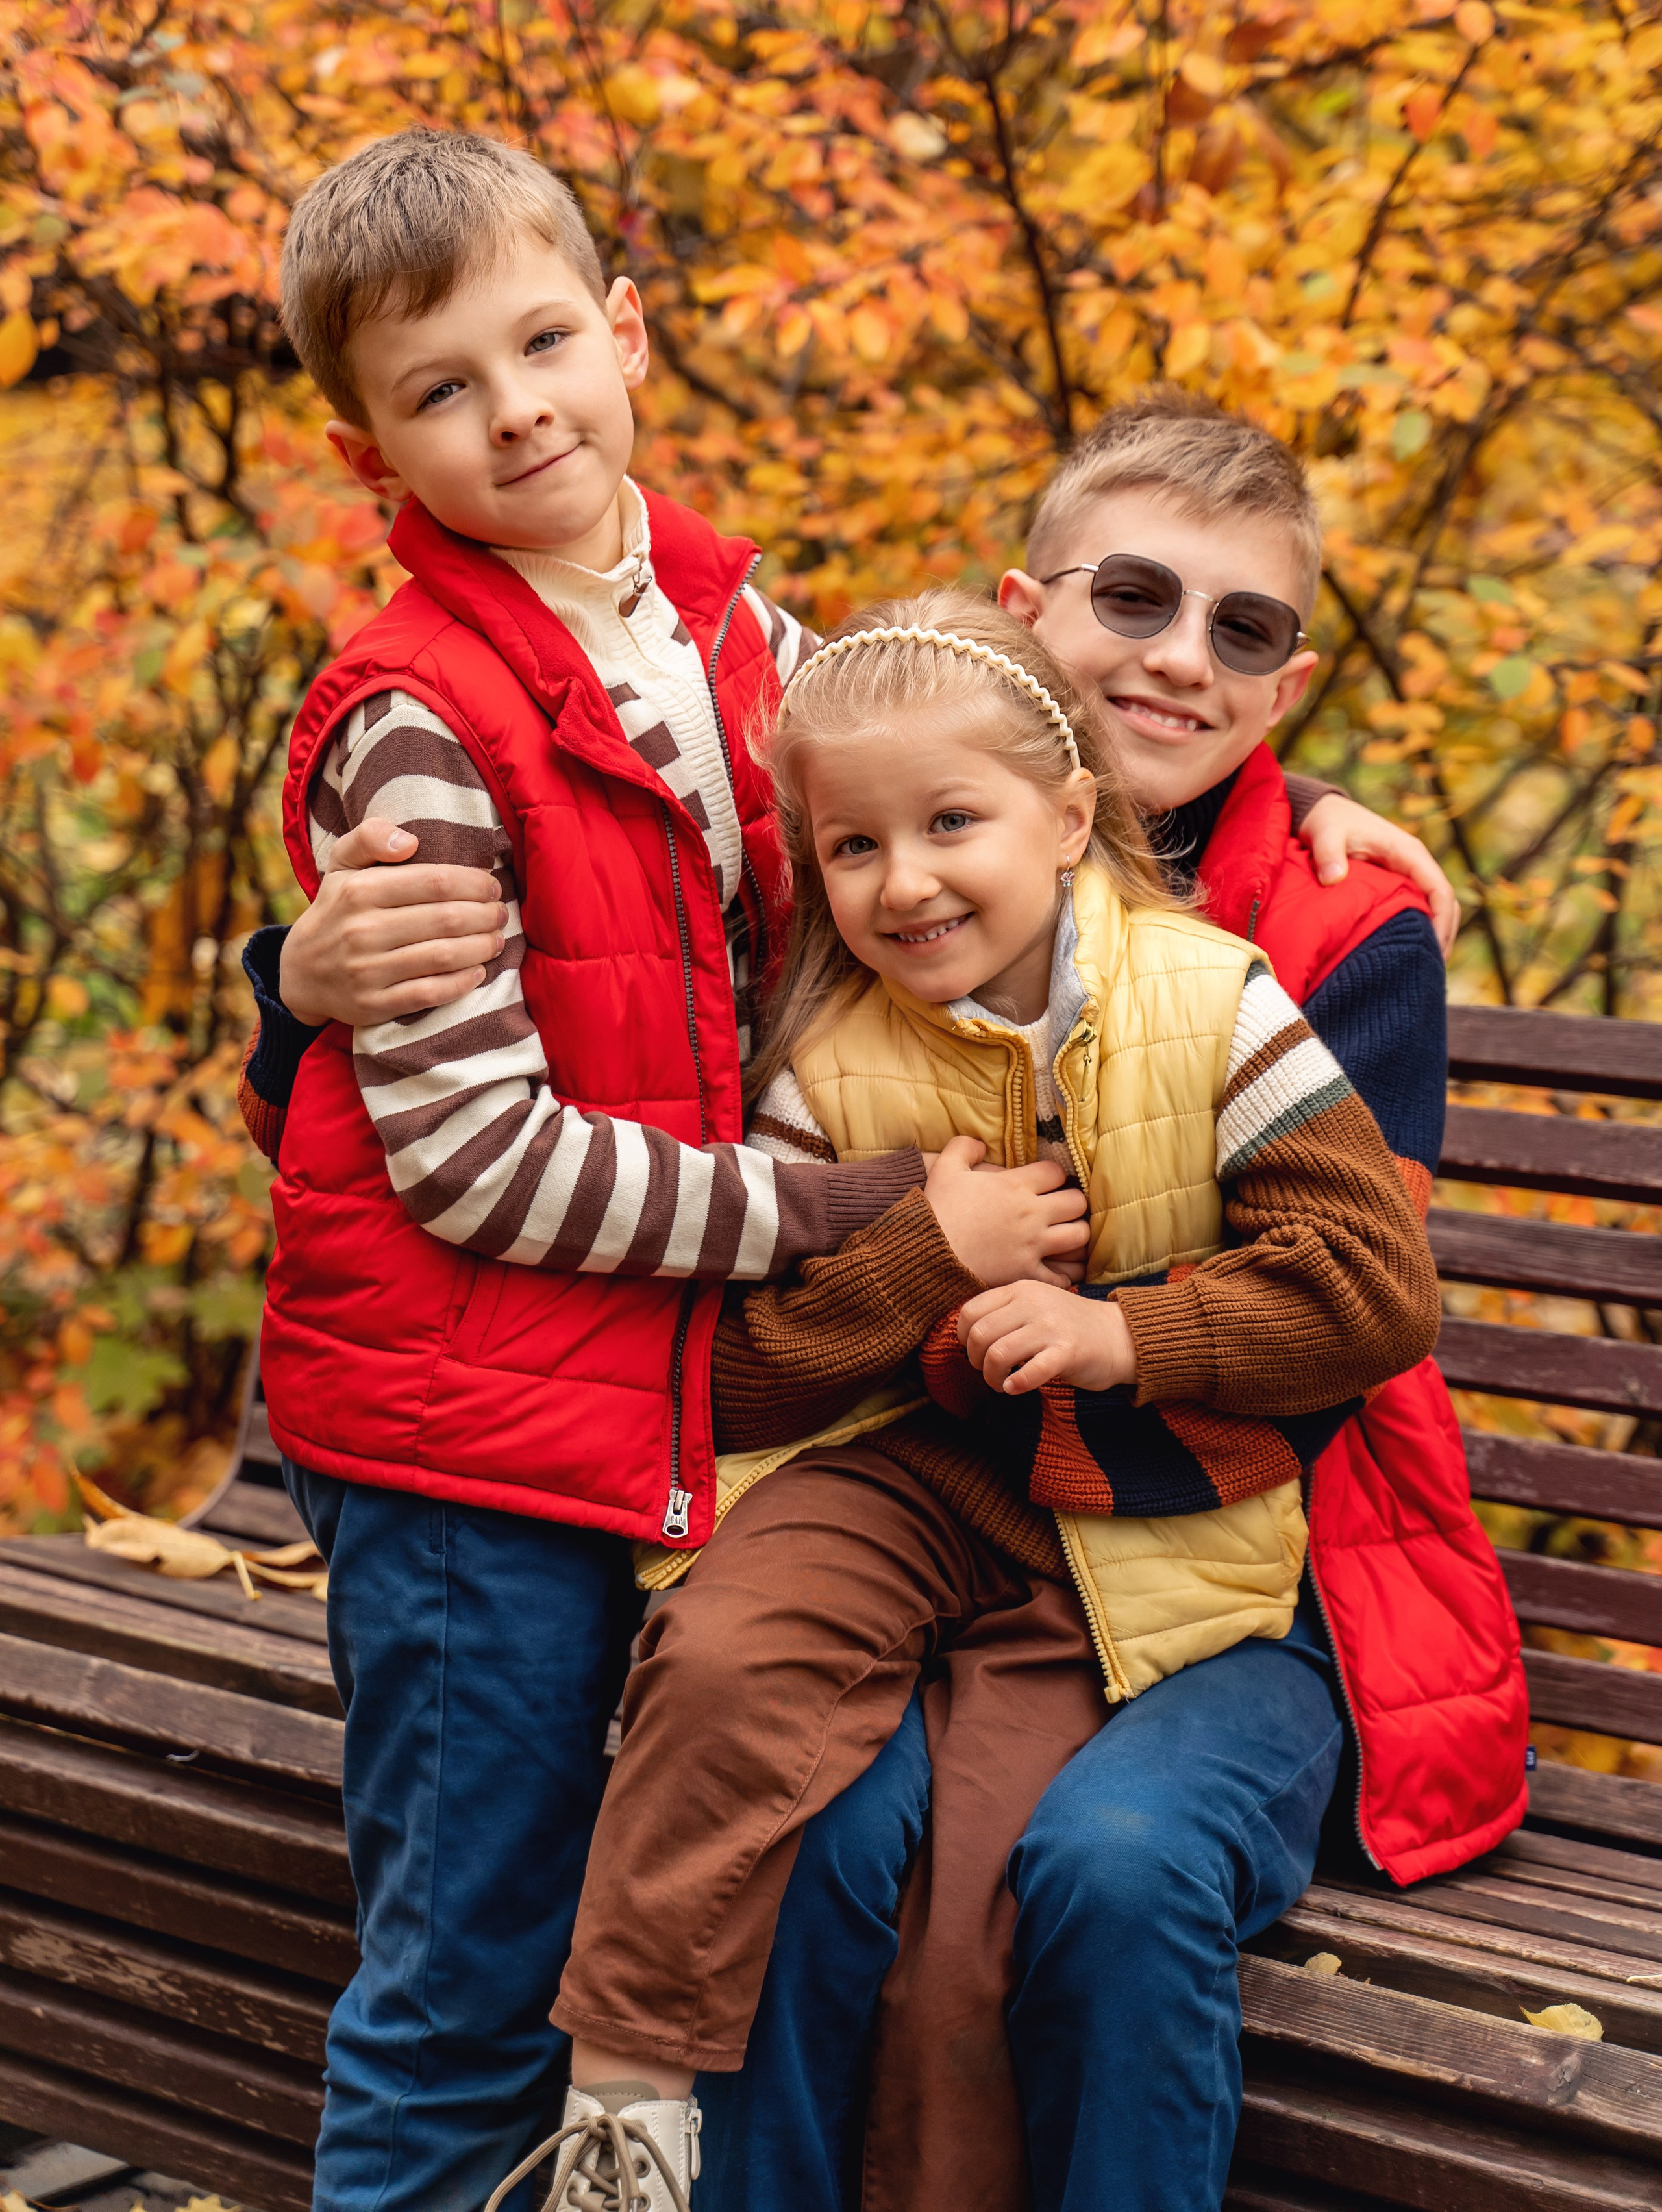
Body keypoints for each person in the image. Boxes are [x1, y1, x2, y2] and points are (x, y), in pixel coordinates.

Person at [245, 393, 1527, 2209]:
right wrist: (298, 976)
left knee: (1057, 1869)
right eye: (1135, 601)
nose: (1181, 659)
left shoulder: (1302, 936)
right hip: (906, 1495)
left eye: (1243, 634)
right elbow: (610, 925)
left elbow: (1341, 1302)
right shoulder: (890, 850)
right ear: (1026, 613)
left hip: (1232, 1539)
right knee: (820, 1830)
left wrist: (1095, 1330)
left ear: (1285, 688)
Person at [254, 123, 1093, 2212]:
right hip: (470, 1449)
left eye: (545, 343)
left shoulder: (733, 634)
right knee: (469, 1988)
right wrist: (881, 1217)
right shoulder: (420, 724)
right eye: (442, 389)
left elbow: (974, 779)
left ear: (624, 337)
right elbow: (478, 1166)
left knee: (657, 1934)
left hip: (652, 1415)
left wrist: (1323, 813)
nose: (515, 406)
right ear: (377, 460)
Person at [472, 586, 1434, 2212]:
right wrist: (925, 1251)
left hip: (1111, 1536)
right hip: (888, 1475)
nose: (904, 882)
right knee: (719, 1647)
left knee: (970, 1911)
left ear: (1068, 820)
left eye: (950, 826)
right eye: (851, 850)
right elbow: (738, 1370)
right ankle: (625, 2104)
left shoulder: (1216, 1003)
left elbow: (1372, 1289)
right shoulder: (823, 1059)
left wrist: (1128, 1338)